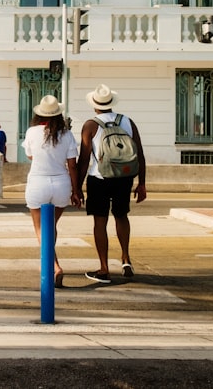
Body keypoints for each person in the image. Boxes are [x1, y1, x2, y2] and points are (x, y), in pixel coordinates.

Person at [75, 84, 147, 284]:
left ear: (94, 104)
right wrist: (142, 183)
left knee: (100, 221)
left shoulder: (90, 125)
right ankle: (125, 258)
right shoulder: (128, 122)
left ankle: (104, 268)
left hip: (99, 178)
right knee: (121, 216)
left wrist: (77, 188)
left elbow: (84, 160)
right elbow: (139, 154)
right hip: (124, 177)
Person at [21, 95, 80, 288]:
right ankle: (51, 263)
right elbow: (72, 165)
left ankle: (53, 266)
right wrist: (76, 190)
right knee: (51, 225)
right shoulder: (67, 135)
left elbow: (30, 155)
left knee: (40, 228)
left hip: (38, 182)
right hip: (61, 183)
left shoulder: (31, 132)